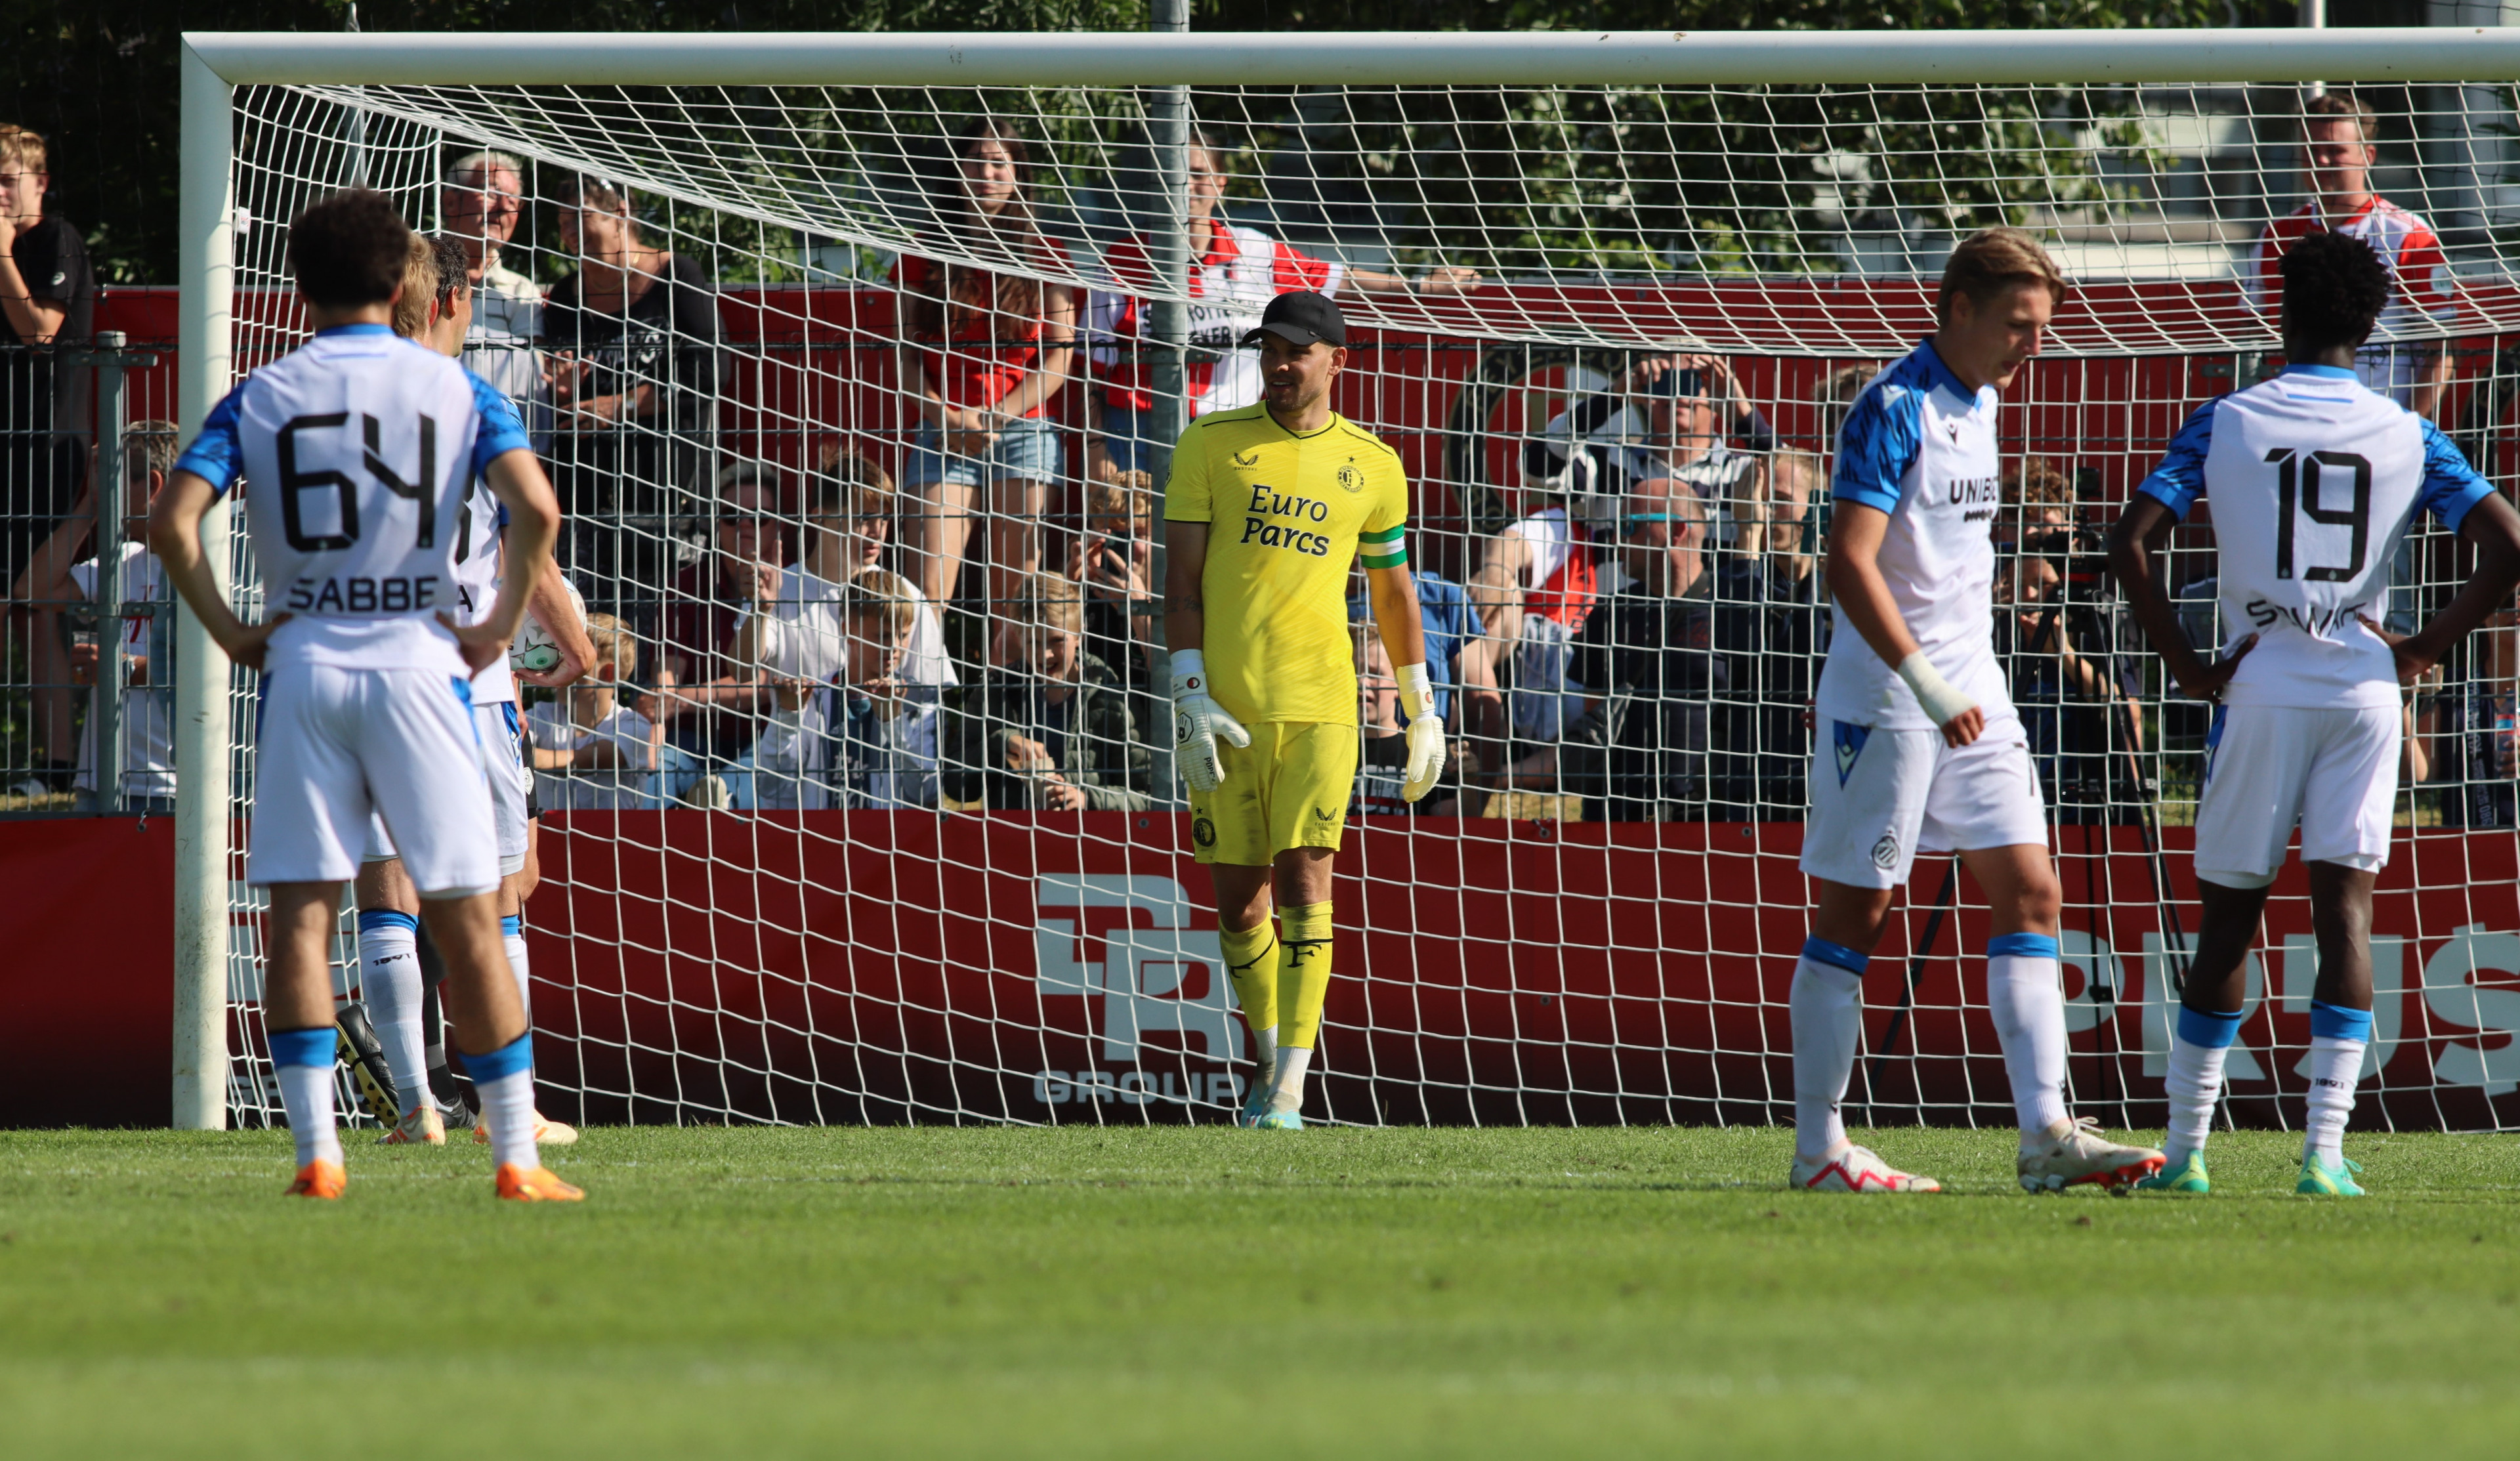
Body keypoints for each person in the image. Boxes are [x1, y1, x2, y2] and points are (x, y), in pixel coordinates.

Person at [151, 188, 578, 1200]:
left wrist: (231, 629)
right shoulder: (455, 389)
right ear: (401, 288)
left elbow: (174, 520)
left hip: (302, 669)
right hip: (422, 667)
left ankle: (317, 1154)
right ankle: (515, 1157)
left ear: (297, 290)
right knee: (470, 915)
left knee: (301, 915)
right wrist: (497, 623)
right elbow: (536, 507)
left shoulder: (258, 392)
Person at [2109, 230, 2520, 1197]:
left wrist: (2187, 666)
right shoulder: (2408, 431)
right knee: (2346, 913)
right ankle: (2323, 1155)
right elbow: (2507, 544)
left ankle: (2187, 1151)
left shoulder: (2227, 418)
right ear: (2374, 323)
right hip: (2366, 690)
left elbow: (2131, 544)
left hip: (2262, 685)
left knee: (2228, 921)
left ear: (2279, 316)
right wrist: (2421, 649)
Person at [1789, 228, 2165, 1196]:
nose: (2031, 347)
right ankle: (1820, 1150)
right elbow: (1849, 561)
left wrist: (1963, 677)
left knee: (2032, 890)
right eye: (2017, 325)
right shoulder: (1892, 406)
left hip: (1975, 688)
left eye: (2040, 328)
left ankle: (2048, 1135)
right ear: (1957, 306)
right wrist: (1923, 680)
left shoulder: (1986, 399)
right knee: (1858, 912)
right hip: (1891, 695)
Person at [1163, 290, 1442, 1130]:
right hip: (1225, 708)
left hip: (1323, 706)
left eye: (1295, 352)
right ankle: (1270, 1055)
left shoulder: (1375, 463)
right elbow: (1180, 586)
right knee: (1239, 905)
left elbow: (1392, 590)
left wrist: (1422, 705)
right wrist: (1187, 691)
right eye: (1269, 352)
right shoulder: (1211, 442)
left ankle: (1289, 1086)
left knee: (1305, 879)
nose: (1279, 367)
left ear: (1336, 362)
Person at [356, 233, 589, 1152]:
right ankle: (513, 1107)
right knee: (498, 893)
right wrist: (574, 649)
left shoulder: (346, 400)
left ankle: (416, 1107)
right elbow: (530, 540)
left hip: (375, 671)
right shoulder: (477, 401)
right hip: (475, 680)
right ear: (452, 302)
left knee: (387, 883)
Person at [1084, 129, 1481, 479]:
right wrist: (1099, 460)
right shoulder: (1122, 261)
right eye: (1175, 175)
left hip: (1229, 434)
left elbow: (1338, 280)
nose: (1187, 185)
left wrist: (1419, 285)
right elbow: (1093, 375)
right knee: (1137, 557)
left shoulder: (1255, 251)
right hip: (1137, 436)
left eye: (1200, 174)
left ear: (1221, 183)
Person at [892, 117, 1075, 623]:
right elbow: (903, 355)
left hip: (1023, 430)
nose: (987, 172)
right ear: (957, 169)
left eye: (999, 162)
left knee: (1018, 602)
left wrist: (999, 415)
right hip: (940, 432)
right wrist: (945, 418)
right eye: (977, 159)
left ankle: (1011, 701)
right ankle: (923, 700)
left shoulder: (1046, 253)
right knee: (926, 593)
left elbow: (1061, 355)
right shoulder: (921, 250)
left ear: (1018, 172)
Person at [541, 175, 726, 630]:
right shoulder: (565, 298)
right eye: (563, 223)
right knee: (586, 639)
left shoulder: (677, 276)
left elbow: (708, 372)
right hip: (585, 502)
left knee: (646, 644)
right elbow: (567, 392)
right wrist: (564, 394)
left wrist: (618, 405)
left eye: (581, 217)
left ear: (620, 213)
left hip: (664, 500)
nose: (570, 233)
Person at [2249, 93, 2454, 421]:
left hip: (2379, 426)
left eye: (2335, 151)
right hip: (2293, 424)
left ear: (2368, 156)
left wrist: (2412, 428)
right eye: (2312, 151)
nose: (2323, 162)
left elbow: (2440, 349)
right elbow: (2256, 338)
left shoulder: (2409, 235)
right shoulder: (2277, 235)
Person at [17, 422, 178, 814]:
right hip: (103, 779)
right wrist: (89, 506)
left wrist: (117, 667)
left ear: (153, 485)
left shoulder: (207, 568)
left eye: (112, 480)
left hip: (173, 785)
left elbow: (204, 668)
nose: (103, 490)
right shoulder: (122, 560)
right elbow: (31, 591)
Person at [2, 123, 95, 794]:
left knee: (40, 610)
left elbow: (41, 332)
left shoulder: (54, 238)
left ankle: (56, 771)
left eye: (8, 179)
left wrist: (2, 252)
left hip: (47, 453)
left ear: (41, 181)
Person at [1561, 480, 1721, 822]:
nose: (1616, 538)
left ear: (1676, 530)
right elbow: (1597, 724)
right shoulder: (1609, 616)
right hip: (1616, 819)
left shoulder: (1731, 612)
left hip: (1708, 820)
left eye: (1628, 525)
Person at [942, 569, 1146, 812]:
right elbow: (956, 785)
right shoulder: (996, 690)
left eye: (1057, 641)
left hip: (1092, 842)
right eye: (1033, 642)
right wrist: (1001, 743)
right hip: (1015, 841)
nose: (1045, 654)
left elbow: (1147, 794)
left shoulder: (1113, 697)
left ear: (1079, 633)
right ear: (1018, 638)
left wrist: (1085, 799)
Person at [650, 461, 785, 806]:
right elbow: (665, 680)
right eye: (731, 516)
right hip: (693, 736)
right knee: (654, 778)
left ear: (779, 526)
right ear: (716, 526)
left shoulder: (797, 585)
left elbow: (771, 684)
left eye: (759, 517)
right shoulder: (687, 585)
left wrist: (682, 699)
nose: (744, 525)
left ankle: (716, 797)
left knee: (744, 787)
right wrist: (664, 703)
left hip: (769, 735)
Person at [753, 568, 936, 810]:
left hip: (889, 841)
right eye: (882, 635)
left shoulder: (916, 699)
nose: (893, 646)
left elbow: (926, 792)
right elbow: (771, 786)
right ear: (848, 630)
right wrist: (787, 716)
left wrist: (893, 721)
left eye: (902, 636)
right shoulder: (816, 695)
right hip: (823, 840)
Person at [1707, 447, 1824, 818]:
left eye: (1783, 499)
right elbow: (1741, 651)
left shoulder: (1838, 587)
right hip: (1747, 788)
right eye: (1760, 498)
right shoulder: (1736, 577)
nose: (1767, 509)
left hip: (1825, 779)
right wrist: (1748, 537)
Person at [442, 149, 548, 448]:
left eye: (513, 201)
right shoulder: (418, 278)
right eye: (491, 193)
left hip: (500, 448)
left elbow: (531, 379)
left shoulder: (522, 293)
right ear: (451, 202)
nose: (503, 207)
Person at [528, 612, 658, 810]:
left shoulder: (633, 725)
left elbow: (589, 759)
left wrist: (522, 756)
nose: (555, 667)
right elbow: (512, 737)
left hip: (613, 836)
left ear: (608, 673)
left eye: (570, 660)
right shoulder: (544, 714)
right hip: (551, 835)